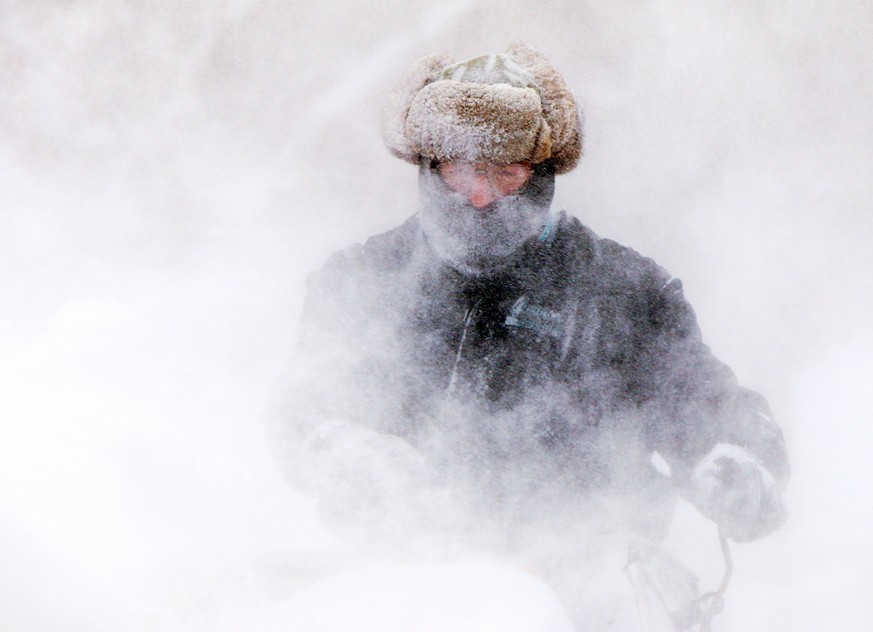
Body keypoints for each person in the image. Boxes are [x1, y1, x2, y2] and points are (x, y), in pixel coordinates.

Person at [267, 43, 789, 630]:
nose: (481, 196)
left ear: (543, 174)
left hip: (594, 591)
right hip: (399, 585)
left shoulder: (626, 294)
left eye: (505, 171)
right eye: (460, 169)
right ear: (426, 166)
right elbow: (299, 413)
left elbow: (709, 413)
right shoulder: (360, 281)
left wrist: (744, 469)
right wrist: (337, 447)